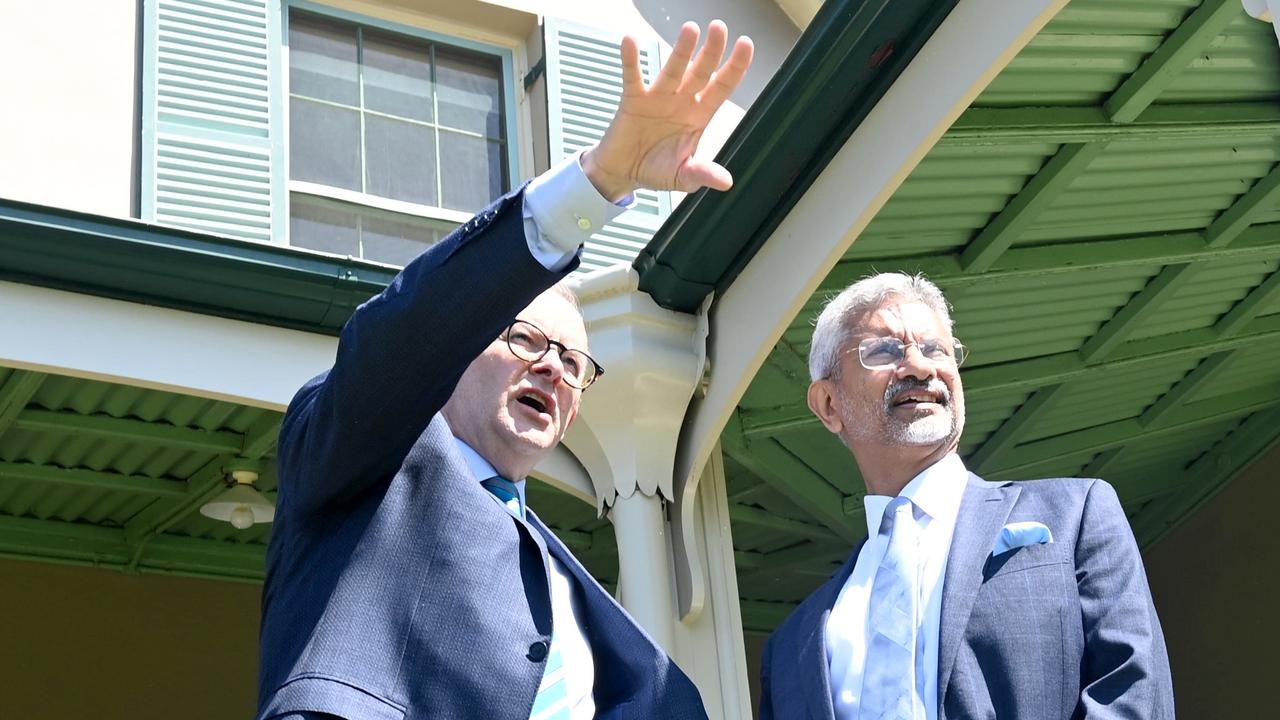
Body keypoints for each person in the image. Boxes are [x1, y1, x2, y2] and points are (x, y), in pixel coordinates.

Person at [256, 21, 753, 720]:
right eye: (524, 340)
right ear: (457, 347)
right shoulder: (362, 461)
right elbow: (406, 334)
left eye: (574, 362)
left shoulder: (574, 598)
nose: (552, 369)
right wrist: (599, 180)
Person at [759, 272, 1174, 720]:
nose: (920, 367)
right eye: (884, 351)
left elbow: (1133, 695)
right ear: (828, 405)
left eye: (936, 348)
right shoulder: (790, 648)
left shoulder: (1076, 516)